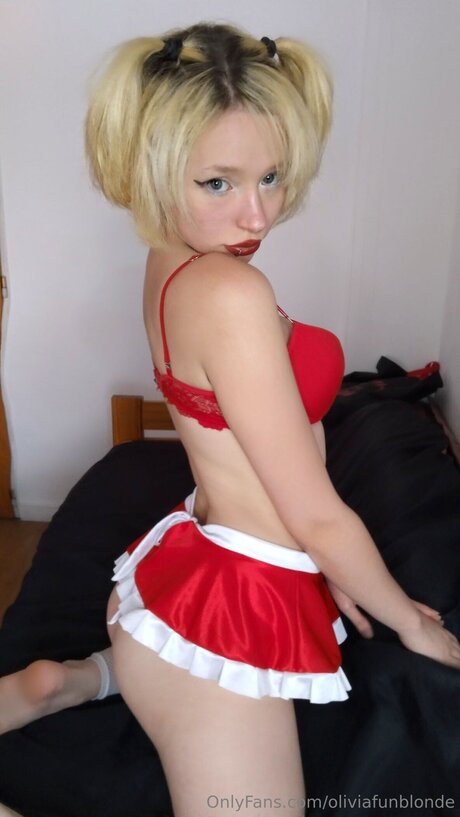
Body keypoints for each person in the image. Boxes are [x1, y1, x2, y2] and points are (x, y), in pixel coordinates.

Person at [1, 22, 459, 815]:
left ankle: (71, 681)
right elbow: (318, 516)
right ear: (154, 169)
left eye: (271, 176)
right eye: (218, 183)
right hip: (220, 616)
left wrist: (335, 579)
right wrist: (412, 625)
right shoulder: (231, 293)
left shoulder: (174, 260)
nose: (256, 215)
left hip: (188, 570)